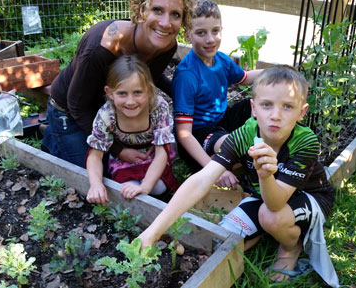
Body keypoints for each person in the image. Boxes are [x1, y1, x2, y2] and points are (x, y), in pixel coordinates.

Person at [140, 65, 339, 286]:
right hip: (264, 195)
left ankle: (291, 247)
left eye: (288, 107)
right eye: (266, 105)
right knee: (223, 239)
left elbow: (275, 204)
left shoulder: (305, 142)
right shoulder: (245, 133)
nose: (275, 115)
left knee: (269, 216)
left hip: (309, 196)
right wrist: (153, 232)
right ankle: (264, 231)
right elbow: (202, 179)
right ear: (253, 108)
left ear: (302, 112)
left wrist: (265, 176)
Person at [42, 0, 194, 168]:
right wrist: (118, 150)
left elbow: (152, 77)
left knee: (138, 166)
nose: (166, 23)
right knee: (100, 175)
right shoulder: (101, 49)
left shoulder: (166, 45)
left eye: (175, 14)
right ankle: (54, 132)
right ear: (141, 10)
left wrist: (187, 98)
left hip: (111, 109)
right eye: (157, 10)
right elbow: (77, 106)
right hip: (70, 111)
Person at [171, 0, 262, 188]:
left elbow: (244, 78)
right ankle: (217, 165)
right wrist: (212, 168)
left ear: (221, 29)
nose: (210, 39)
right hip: (198, 134)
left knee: (255, 106)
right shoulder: (187, 74)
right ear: (187, 35)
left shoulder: (221, 59)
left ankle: (238, 159)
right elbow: (184, 134)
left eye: (215, 31)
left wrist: (278, 72)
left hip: (222, 121)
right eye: (200, 33)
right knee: (233, 143)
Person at [85, 55, 179, 204]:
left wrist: (145, 187)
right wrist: (95, 184)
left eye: (137, 92)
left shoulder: (158, 108)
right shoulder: (107, 115)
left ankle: (148, 187)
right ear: (110, 93)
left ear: (148, 90)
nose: (130, 102)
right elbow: (95, 155)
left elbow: (162, 152)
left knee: (158, 187)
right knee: (126, 189)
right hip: (124, 159)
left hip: (153, 155)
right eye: (122, 93)